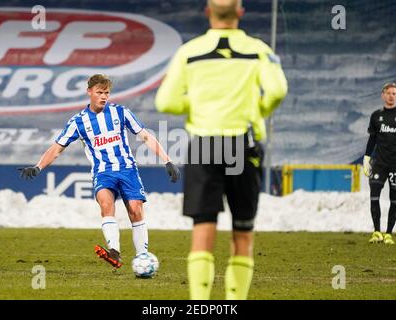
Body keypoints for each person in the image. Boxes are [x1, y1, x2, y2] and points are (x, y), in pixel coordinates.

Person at [155, 0, 287, 300]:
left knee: (204, 227)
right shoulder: (258, 50)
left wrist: (198, 106)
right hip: (244, 143)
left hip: (205, 144)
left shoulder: (190, 52)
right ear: (240, 13)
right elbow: (278, 90)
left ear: (207, 12)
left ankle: (201, 304)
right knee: (242, 230)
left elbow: (165, 102)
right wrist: (258, 108)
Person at [18, 74, 180, 269]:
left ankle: (142, 258)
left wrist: (167, 160)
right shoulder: (78, 121)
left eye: (107, 93)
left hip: (127, 169)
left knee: (136, 210)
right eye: (99, 92)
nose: (104, 96)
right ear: (89, 92)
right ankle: (114, 253)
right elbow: (57, 148)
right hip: (103, 172)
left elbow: (145, 136)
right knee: (106, 204)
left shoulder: (121, 113)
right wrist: (38, 167)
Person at [363, 82, 396, 245]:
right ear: (383, 95)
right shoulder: (376, 116)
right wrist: (366, 158)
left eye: (394, 93)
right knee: (374, 196)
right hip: (379, 163)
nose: (391, 96)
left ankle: (389, 234)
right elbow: (372, 139)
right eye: (388, 93)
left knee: (394, 198)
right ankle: (377, 232)